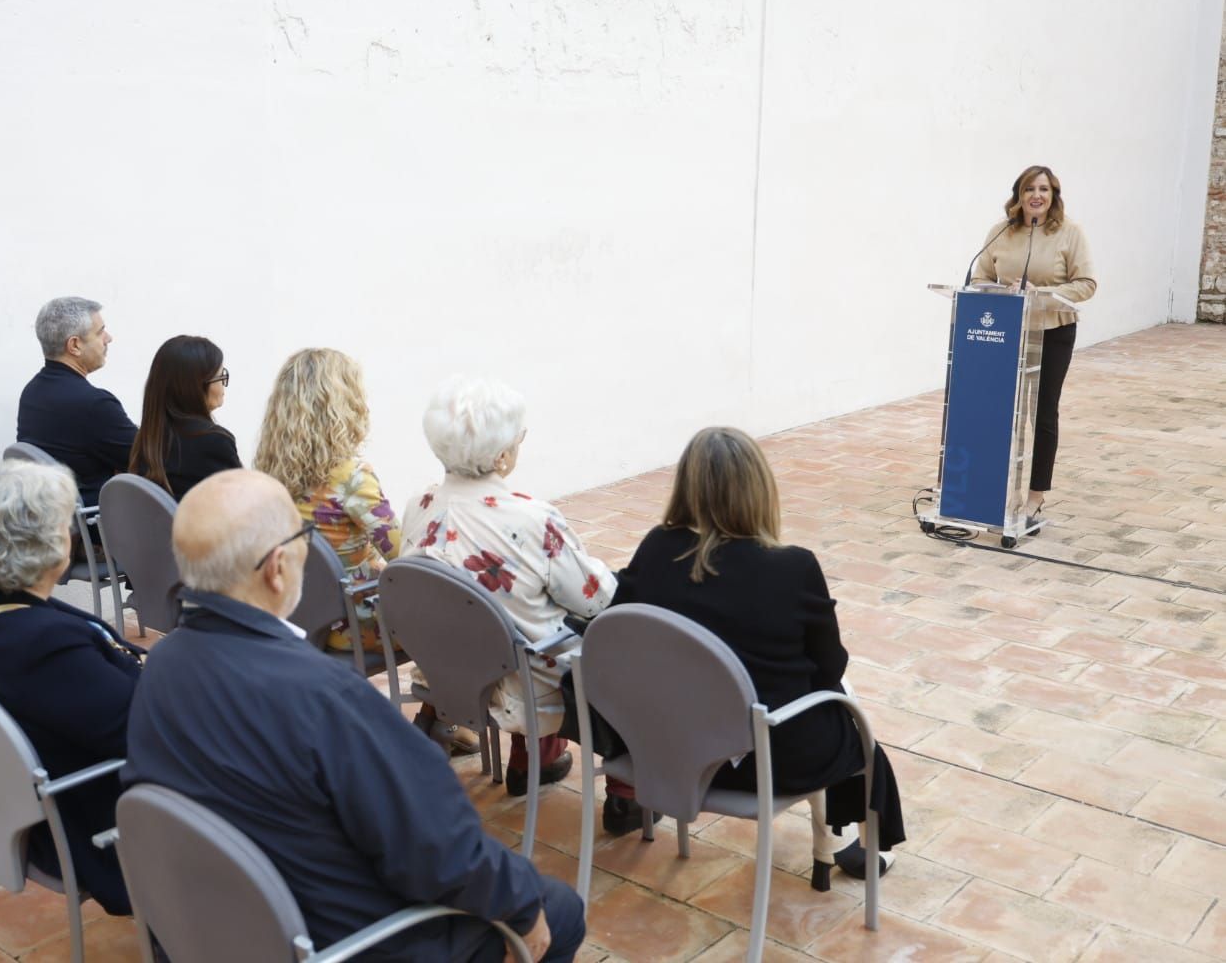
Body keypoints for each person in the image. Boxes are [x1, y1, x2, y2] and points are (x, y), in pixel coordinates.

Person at [123, 469, 583, 962]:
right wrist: (520, 904)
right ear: (277, 568)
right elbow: (443, 851)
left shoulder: (161, 666)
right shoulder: (325, 696)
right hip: (343, 942)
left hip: (222, 925)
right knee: (558, 909)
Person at [610, 426, 906, 874]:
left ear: (685, 486)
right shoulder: (793, 568)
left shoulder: (655, 548)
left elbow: (620, 627)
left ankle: (836, 840)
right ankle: (837, 842)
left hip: (664, 749)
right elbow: (830, 669)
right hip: (765, 764)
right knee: (843, 706)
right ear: (760, 488)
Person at [0, 459, 145, 916]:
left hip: (44, 804)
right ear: (46, 546)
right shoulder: (39, 646)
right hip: (101, 822)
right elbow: (147, 734)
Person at [400, 376, 614, 795]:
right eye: (520, 437)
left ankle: (522, 752)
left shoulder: (420, 504)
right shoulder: (533, 519)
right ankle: (540, 756)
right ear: (502, 456)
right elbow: (595, 600)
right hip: (520, 686)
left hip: (446, 667)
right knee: (588, 624)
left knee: (513, 611)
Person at [969, 165, 1096, 521]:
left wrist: (1042, 293)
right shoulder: (1001, 231)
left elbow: (1086, 283)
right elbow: (980, 277)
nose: (1036, 196)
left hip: (1052, 331)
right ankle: (993, 486)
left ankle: (1035, 494)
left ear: (1053, 195)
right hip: (1006, 334)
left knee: (1041, 413)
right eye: (1029, 189)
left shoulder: (1070, 233)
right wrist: (996, 292)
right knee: (1001, 411)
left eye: (1043, 189)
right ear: (1019, 195)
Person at [253, 348, 399, 652]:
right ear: (344, 405)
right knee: (450, 617)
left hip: (299, 616)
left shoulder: (268, 475)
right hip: (357, 625)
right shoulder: (352, 479)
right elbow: (406, 559)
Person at [16, 297, 138, 509]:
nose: (108, 338)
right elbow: (151, 460)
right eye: (100, 332)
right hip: (101, 524)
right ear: (74, 345)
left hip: (58, 519)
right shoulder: (94, 404)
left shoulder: (32, 392)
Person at [128, 335, 240, 498]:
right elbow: (242, 506)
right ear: (195, 388)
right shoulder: (215, 441)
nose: (223, 384)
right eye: (220, 376)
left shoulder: (148, 439)